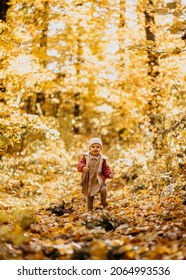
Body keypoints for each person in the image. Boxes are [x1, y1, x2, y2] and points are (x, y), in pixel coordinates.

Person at [77, 137, 114, 211]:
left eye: (98, 147)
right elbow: (79, 164)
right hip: (89, 179)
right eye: (93, 147)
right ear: (89, 148)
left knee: (103, 189)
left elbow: (106, 168)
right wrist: (83, 167)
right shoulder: (85, 157)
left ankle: (103, 202)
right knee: (90, 194)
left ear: (101, 149)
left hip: (98, 179)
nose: (95, 148)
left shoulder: (102, 159)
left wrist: (110, 174)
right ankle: (90, 209)